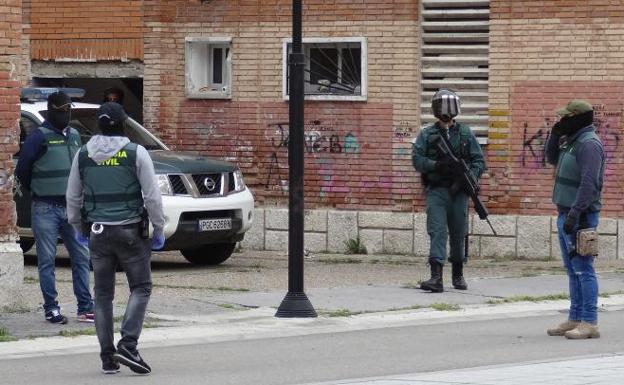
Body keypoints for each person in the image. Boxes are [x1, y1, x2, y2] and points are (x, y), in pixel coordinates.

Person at [66, 102, 165, 374]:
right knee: (141, 287)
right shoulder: (136, 152)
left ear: (98, 124)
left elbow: (73, 197)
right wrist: (159, 229)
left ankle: (108, 358)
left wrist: (78, 228)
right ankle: (128, 345)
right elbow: (152, 197)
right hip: (130, 231)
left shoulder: (83, 155)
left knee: (102, 296)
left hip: (97, 232)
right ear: (123, 124)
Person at [15, 90, 95, 324]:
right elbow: (22, 170)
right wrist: (40, 189)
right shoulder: (38, 137)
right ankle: (52, 308)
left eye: (70, 110)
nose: (67, 115)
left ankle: (85, 308)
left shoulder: (75, 136)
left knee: (81, 257)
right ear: (52, 111)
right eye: (63, 111)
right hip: (45, 208)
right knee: (47, 260)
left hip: (72, 209)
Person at [411, 89, 485, 292]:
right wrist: (436, 165)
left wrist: (469, 176)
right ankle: (436, 277)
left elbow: (479, 161)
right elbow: (417, 160)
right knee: (437, 231)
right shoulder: (427, 134)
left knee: (459, 232)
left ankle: (458, 273)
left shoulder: (465, 133)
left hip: (459, 192)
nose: (446, 113)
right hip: (437, 191)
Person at [545, 100, 605, 340]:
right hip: (566, 214)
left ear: (579, 118)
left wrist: (574, 214)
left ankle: (589, 321)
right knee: (572, 271)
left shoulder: (589, 145)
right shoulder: (572, 141)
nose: (562, 121)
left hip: (580, 216)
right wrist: (553, 135)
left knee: (583, 270)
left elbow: (589, 184)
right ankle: (574, 317)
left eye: (566, 118)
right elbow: (551, 159)